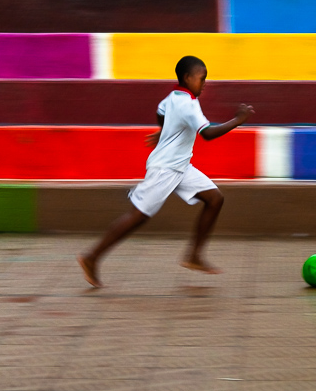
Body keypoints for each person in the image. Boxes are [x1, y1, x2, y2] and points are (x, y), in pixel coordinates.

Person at [78, 56, 253, 288]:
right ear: (188, 78)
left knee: (214, 198)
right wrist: (238, 120)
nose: (204, 83)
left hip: (181, 166)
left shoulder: (176, 96)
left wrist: (165, 132)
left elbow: (161, 110)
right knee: (137, 216)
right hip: (165, 168)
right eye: (202, 78)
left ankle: (194, 256)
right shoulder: (188, 104)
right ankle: (92, 257)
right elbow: (208, 133)